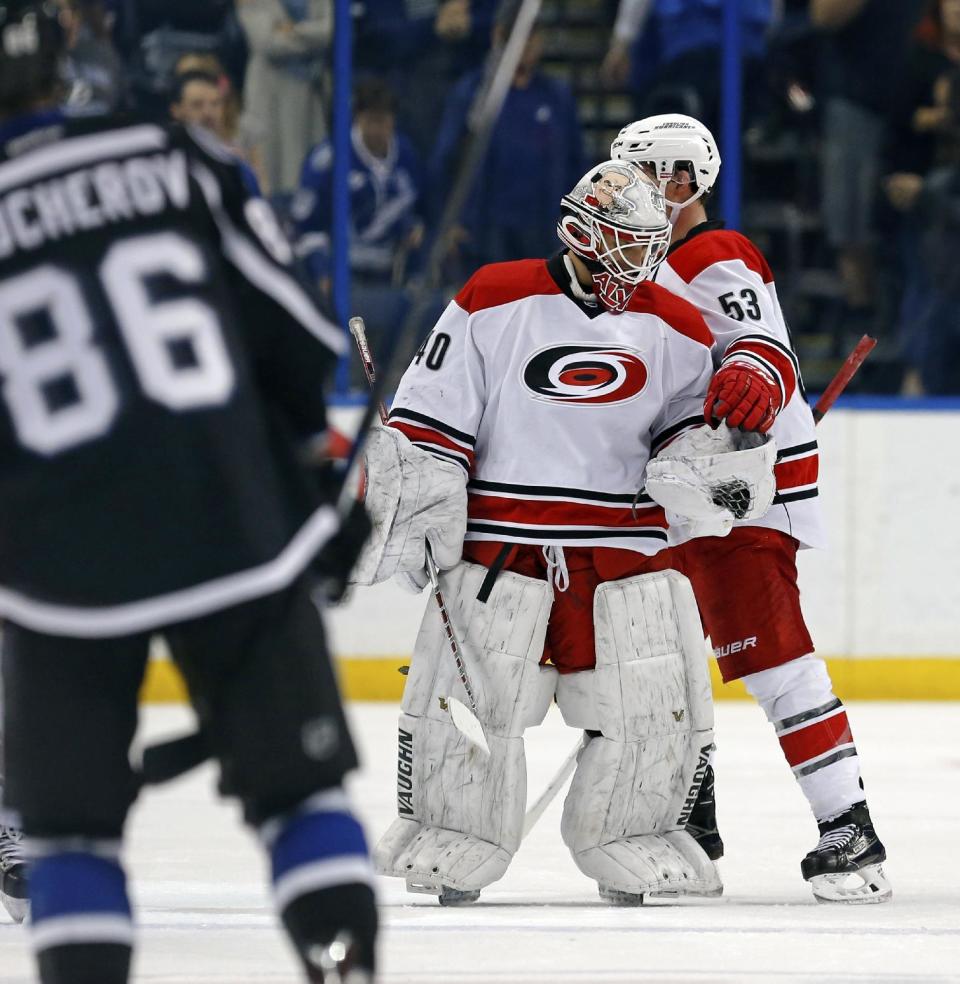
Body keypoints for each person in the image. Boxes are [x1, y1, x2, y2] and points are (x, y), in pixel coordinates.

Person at [0, 3, 377, 982]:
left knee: (70, 838)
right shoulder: (171, 154)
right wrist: (317, 469)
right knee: (302, 797)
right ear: (63, 68)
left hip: (58, 566)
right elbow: (289, 325)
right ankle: (345, 969)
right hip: (231, 523)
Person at [354, 159, 778, 906]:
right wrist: (418, 491)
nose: (642, 261)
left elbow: (683, 435)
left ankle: (634, 831)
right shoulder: (494, 296)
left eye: (652, 243)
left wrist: (715, 466)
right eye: (624, 242)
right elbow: (435, 415)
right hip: (503, 547)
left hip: (623, 549)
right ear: (581, 233)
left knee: (651, 702)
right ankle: (455, 831)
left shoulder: (676, 322)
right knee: (469, 704)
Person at [610, 113, 892, 903]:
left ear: (677, 181)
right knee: (658, 661)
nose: (624, 191)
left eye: (638, 175)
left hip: (739, 497)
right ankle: (686, 828)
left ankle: (850, 830)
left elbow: (758, 345)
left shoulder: (714, 253)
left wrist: (760, 381)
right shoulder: (648, 266)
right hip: (682, 497)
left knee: (773, 660)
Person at [429, 0, 584, 281]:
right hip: (485, 233)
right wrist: (449, 223)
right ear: (498, 36)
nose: (526, 44)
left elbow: (577, 164)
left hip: (543, 231)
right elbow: (445, 160)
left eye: (532, 35)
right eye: (517, 34)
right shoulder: (473, 94)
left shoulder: (556, 96)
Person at [169, 68, 261, 195]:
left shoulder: (234, 163)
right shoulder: (164, 162)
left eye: (215, 103)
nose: (208, 112)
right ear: (176, 110)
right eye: (197, 105)